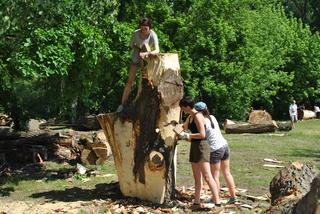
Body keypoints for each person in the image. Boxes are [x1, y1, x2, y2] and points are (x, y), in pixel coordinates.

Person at [178, 96, 221, 209]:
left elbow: (202, 135)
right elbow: (183, 127)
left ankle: (217, 202)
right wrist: (174, 129)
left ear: (187, 106)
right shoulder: (190, 117)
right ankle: (196, 203)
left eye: (182, 108)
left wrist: (187, 135)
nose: (181, 110)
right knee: (197, 177)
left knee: (207, 176)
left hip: (202, 146)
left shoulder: (198, 116)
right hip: (194, 146)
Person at [194, 102, 238, 204]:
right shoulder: (212, 117)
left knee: (215, 176)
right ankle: (233, 197)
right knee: (227, 172)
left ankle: (215, 198)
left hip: (215, 150)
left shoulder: (202, 121)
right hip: (224, 146)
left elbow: (200, 135)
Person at [117, 17, 160, 112]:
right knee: (129, 81)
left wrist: (146, 53)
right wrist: (139, 49)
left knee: (147, 83)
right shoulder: (135, 33)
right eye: (142, 28)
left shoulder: (153, 35)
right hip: (136, 58)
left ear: (149, 28)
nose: (143, 30)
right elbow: (131, 45)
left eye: (146, 28)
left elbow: (157, 50)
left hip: (147, 61)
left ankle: (145, 106)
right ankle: (122, 104)